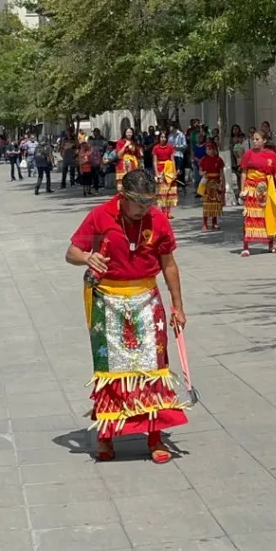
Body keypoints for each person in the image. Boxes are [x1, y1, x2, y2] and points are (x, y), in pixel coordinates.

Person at [65, 168, 188, 463]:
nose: (145, 209)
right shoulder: (100, 216)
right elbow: (71, 252)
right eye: (139, 203)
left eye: (149, 202)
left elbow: (169, 264)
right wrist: (86, 257)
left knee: (152, 368)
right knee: (111, 370)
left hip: (147, 299)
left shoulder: (157, 219)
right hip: (107, 300)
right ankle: (106, 436)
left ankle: (155, 437)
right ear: (123, 196)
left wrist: (178, 306)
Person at [238, 129, 276, 256]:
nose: (254, 141)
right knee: (249, 217)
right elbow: (244, 173)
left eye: (257, 139)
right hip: (251, 189)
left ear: (264, 141)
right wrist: (242, 190)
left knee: (268, 216)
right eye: (253, 139)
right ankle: (246, 246)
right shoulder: (248, 154)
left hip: (266, 189)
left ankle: (271, 244)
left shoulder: (272, 155)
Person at [198, 140, 226, 231]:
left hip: (216, 184)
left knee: (215, 204)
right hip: (207, 184)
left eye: (211, 149)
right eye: (208, 149)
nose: (209, 151)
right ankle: (205, 224)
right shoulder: (203, 160)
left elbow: (222, 174)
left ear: (215, 150)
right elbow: (200, 172)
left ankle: (215, 223)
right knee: (206, 205)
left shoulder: (219, 160)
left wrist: (223, 185)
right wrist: (203, 173)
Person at [152, 135, 178, 217]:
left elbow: (172, 160)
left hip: (169, 170)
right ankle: (163, 212)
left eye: (164, 137)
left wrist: (174, 172)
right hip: (161, 171)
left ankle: (169, 212)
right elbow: (155, 161)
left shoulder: (170, 147)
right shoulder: (156, 148)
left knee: (170, 191)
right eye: (162, 137)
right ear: (159, 138)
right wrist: (156, 173)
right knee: (162, 191)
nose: (163, 138)